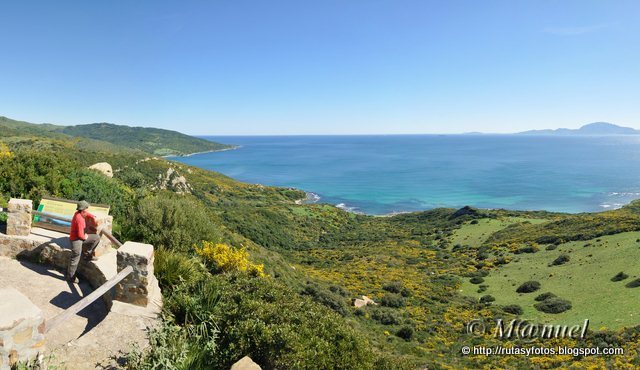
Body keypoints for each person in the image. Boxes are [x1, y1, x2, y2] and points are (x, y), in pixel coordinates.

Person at [67, 200, 101, 282]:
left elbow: (86, 214)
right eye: (87, 209)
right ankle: (71, 277)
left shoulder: (78, 213)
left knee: (96, 238)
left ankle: (87, 255)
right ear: (83, 210)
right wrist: (85, 237)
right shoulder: (80, 220)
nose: (88, 210)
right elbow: (80, 235)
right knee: (75, 257)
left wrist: (92, 216)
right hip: (76, 240)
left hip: (77, 237)